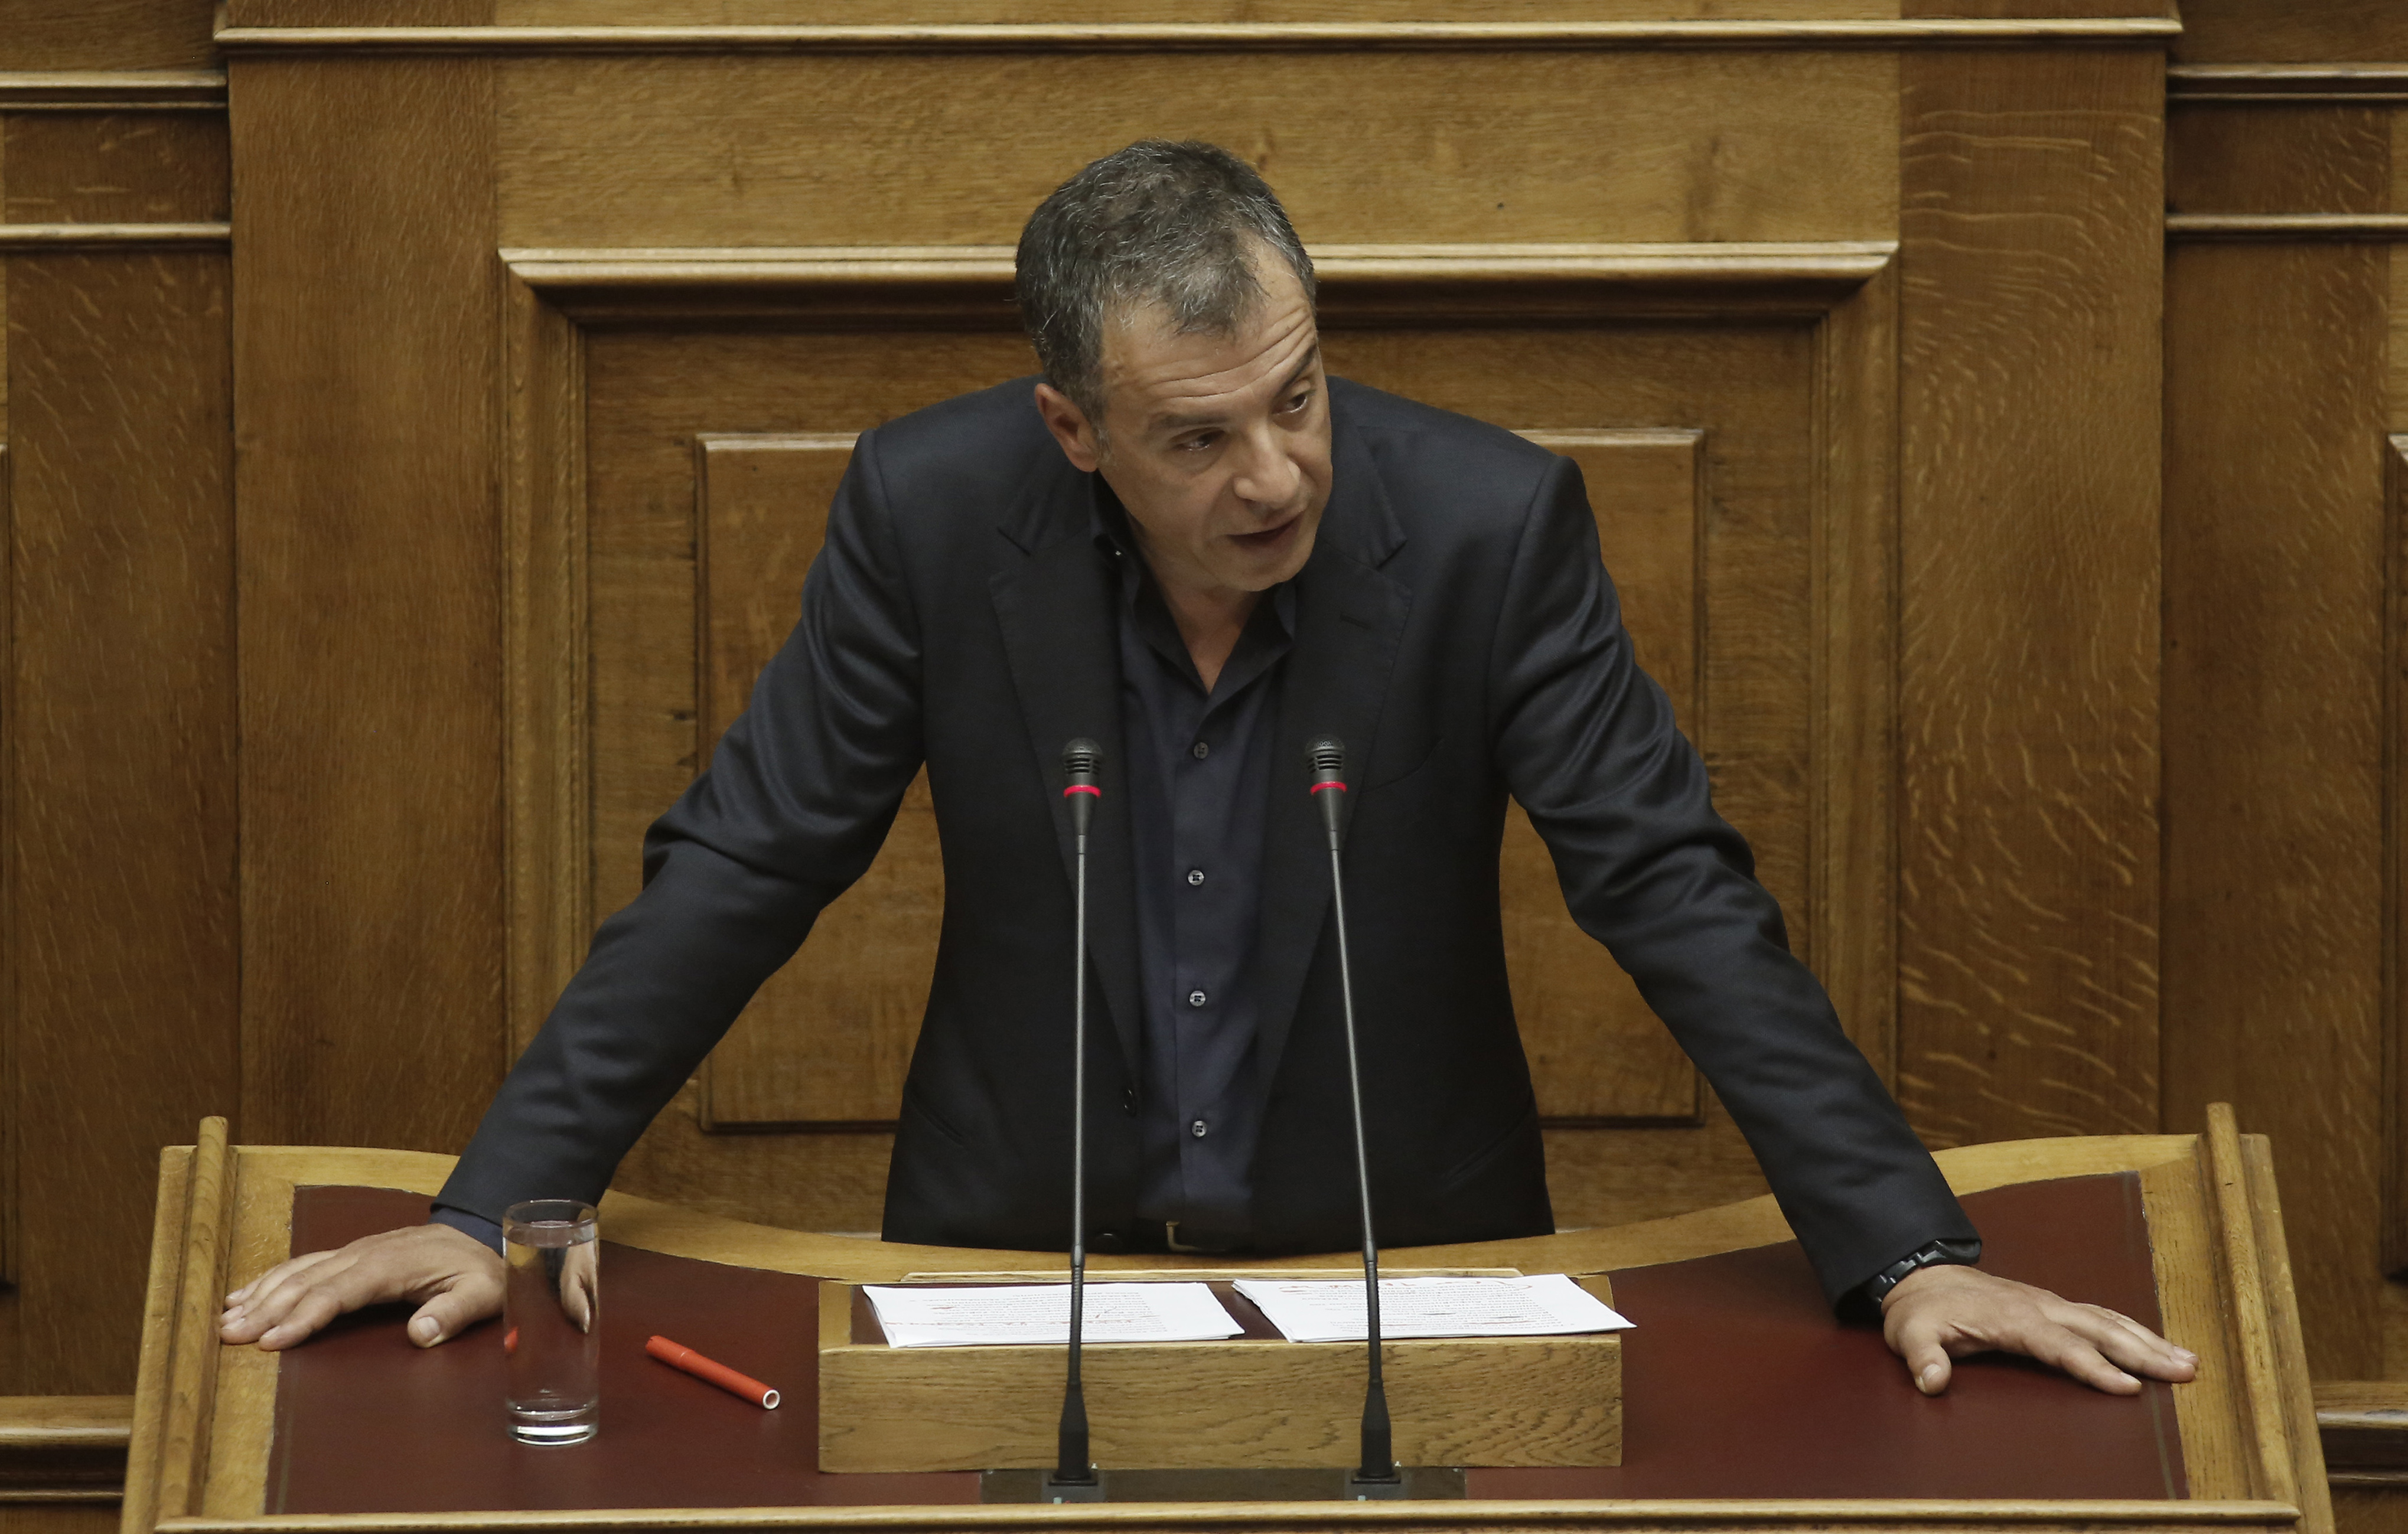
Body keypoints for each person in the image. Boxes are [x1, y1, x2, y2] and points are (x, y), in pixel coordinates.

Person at [222, 141, 2195, 1400]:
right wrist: (497, 1204)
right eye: (1197, 438)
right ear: (1072, 429)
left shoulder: (1490, 527)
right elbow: (749, 858)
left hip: (1406, 1269)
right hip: (1017, 1265)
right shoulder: (931, 511)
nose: (1275, 476)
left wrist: (1907, 1249)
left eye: (1299, 398)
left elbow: (1672, 885)